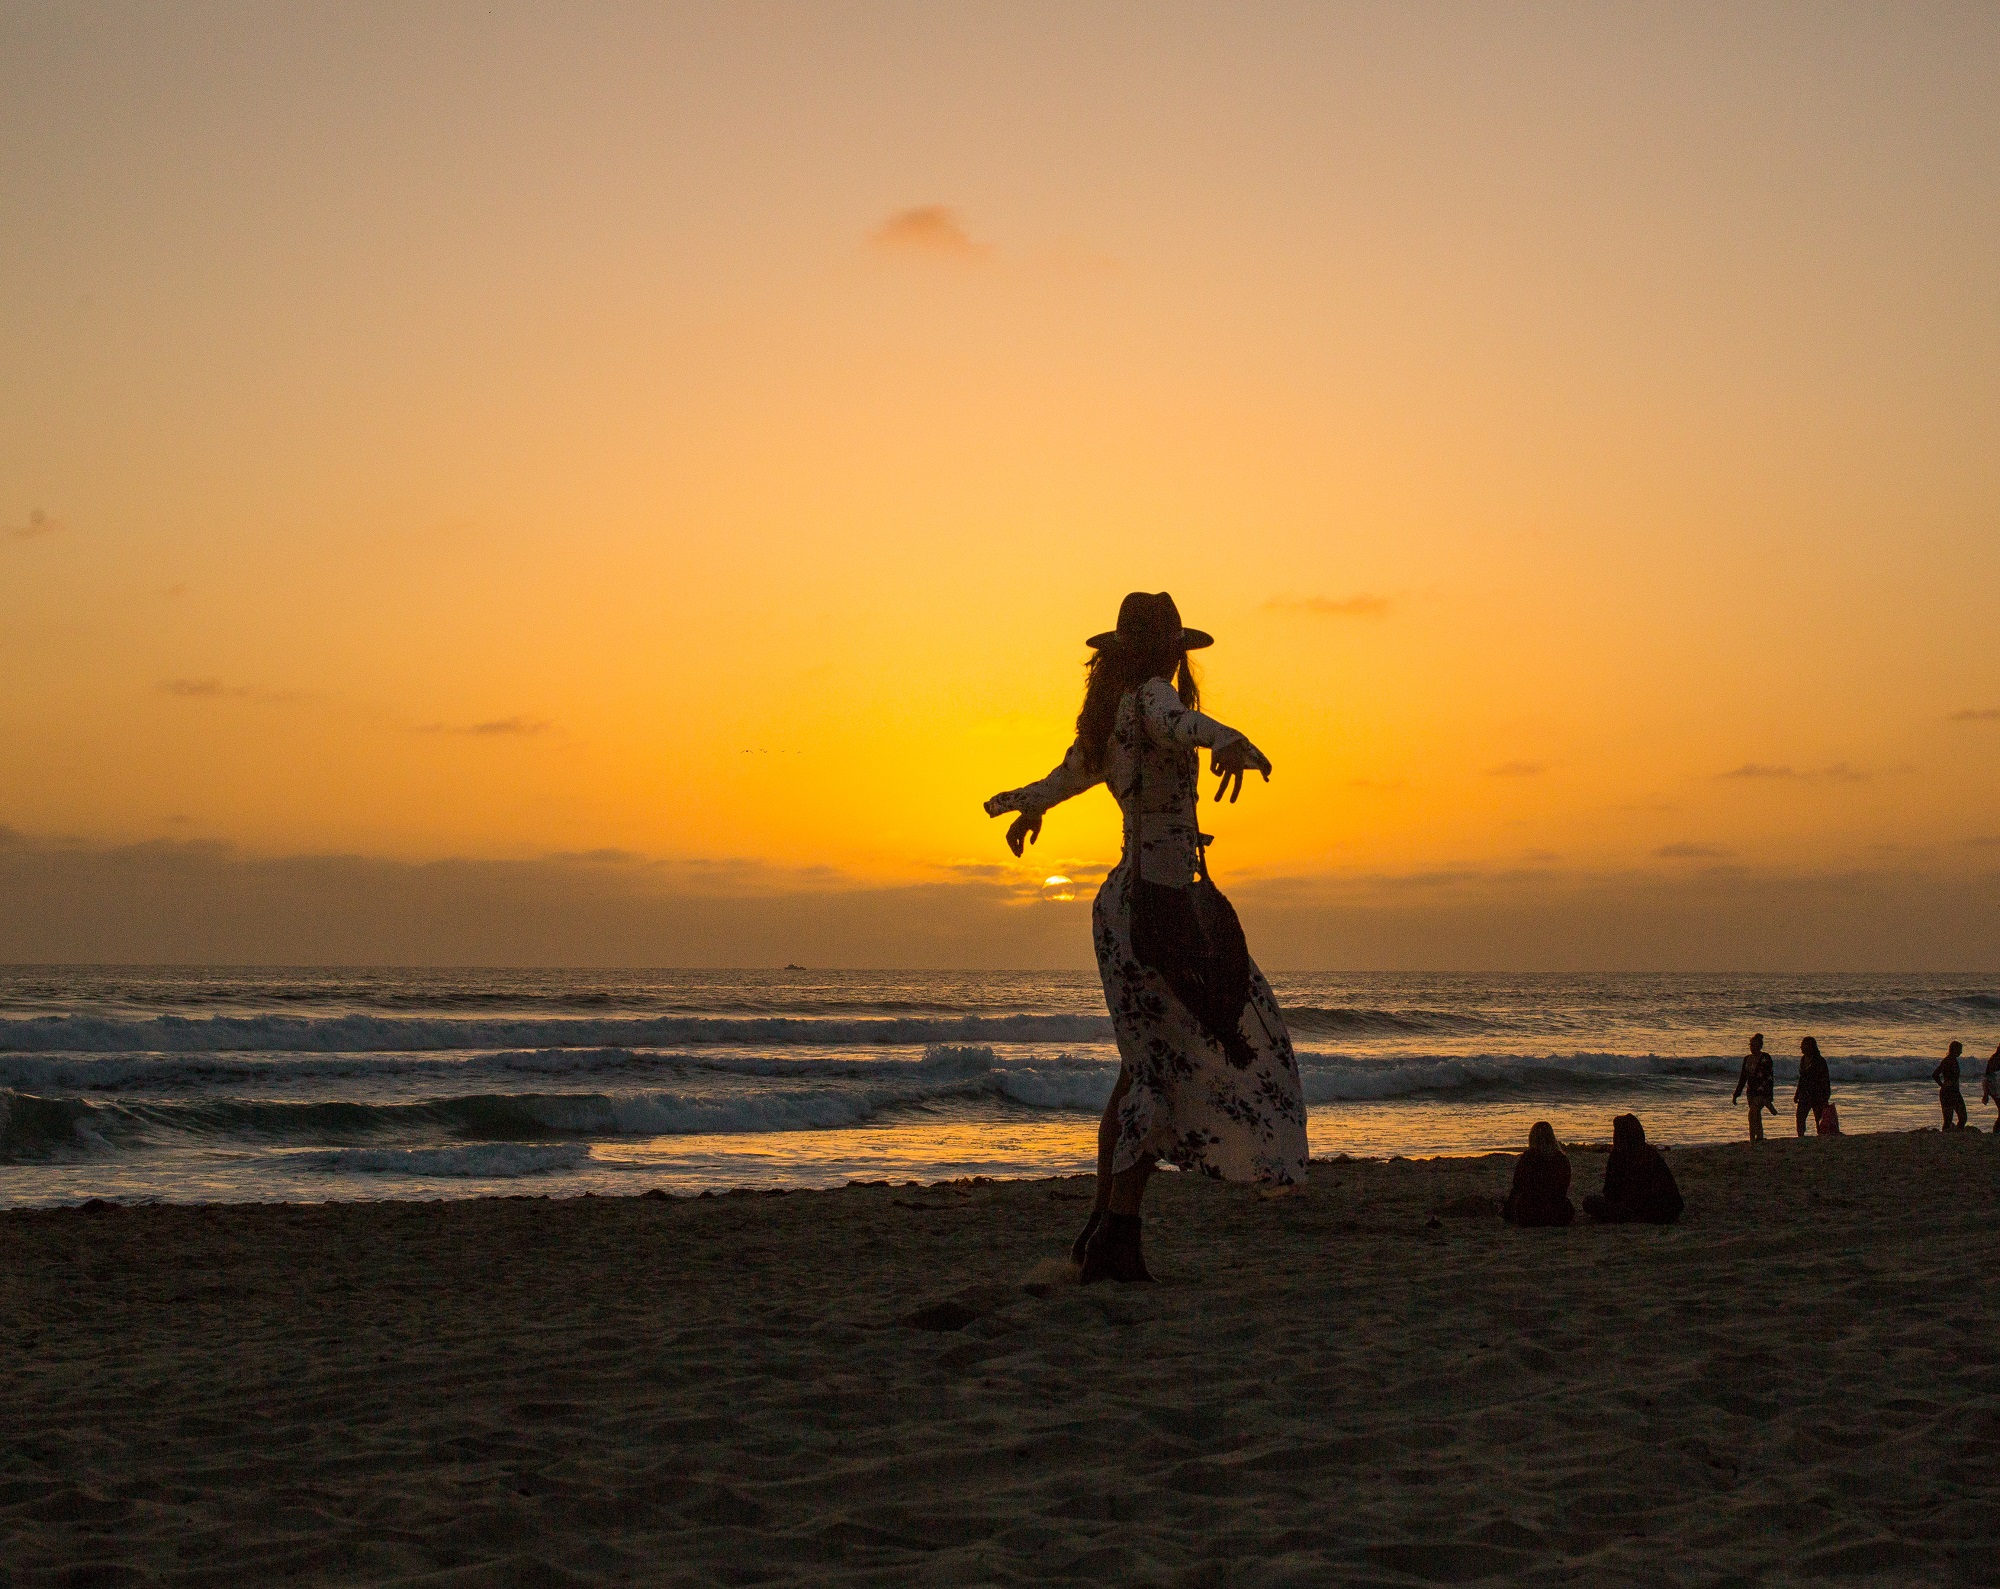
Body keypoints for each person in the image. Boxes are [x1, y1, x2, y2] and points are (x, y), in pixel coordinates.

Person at [983, 592, 1307, 1282]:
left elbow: (1066, 777)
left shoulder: (1110, 717)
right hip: (1163, 910)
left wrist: (1028, 806)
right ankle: (1117, 1238)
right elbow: (1178, 721)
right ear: (1167, 652)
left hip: (1126, 908)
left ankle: (1101, 1225)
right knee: (1178, 1065)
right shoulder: (1154, 699)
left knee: (1139, 1068)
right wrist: (1228, 739)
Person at [1582, 1113, 1684, 1225]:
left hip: (1640, 1210)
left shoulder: (1619, 1156)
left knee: (1590, 1201)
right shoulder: (1650, 1153)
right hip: (1667, 1211)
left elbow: (1610, 1192)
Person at [1502, 1121, 1574, 1227]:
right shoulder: (1562, 1159)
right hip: (1557, 1212)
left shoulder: (1528, 1157)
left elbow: (1517, 1184)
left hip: (1531, 1211)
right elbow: (1563, 1187)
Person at [1731, 1033, 1776, 1142]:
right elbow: (1743, 1078)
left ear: (1760, 1046)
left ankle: (1752, 1139)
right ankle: (1759, 1136)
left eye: (1754, 1045)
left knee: (1752, 1113)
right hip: (1751, 1091)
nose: (1752, 1048)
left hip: (1762, 1091)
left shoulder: (1765, 1058)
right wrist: (1736, 1094)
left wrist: (1769, 1094)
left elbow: (1769, 1077)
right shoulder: (1747, 1059)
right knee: (1756, 1114)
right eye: (1750, 1045)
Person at [1795, 1036, 1832, 1137]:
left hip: (1817, 1094)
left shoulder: (1820, 1061)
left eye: (1803, 1045)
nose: (1801, 1047)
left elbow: (1825, 1079)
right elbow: (1802, 1079)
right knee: (1800, 1116)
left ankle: (1821, 1134)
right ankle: (1800, 1135)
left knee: (1819, 1118)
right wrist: (1797, 1093)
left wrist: (1826, 1096)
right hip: (1804, 1093)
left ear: (1810, 1046)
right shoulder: (1803, 1059)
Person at [1934, 1041, 1968, 1130]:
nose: (1961, 1052)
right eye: (1959, 1050)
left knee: (1959, 1118)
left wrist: (1943, 1085)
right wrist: (1942, 1085)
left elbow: (1935, 1075)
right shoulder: (1948, 1060)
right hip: (1949, 1093)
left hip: (1953, 1092)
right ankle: (1952, 1133)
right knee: (1953, 1119)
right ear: (1954, 1050)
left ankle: (1955, 1133)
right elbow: (1935, 1074)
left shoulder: (1951, 1060)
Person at [1984, 1046, 2000, 1134]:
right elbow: (1988, 1078)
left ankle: (1996, 1131)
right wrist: (1986, 1094)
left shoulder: (1994, 1058)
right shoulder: (1995, 1060)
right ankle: (1996, 1132)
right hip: (1996, 1089)